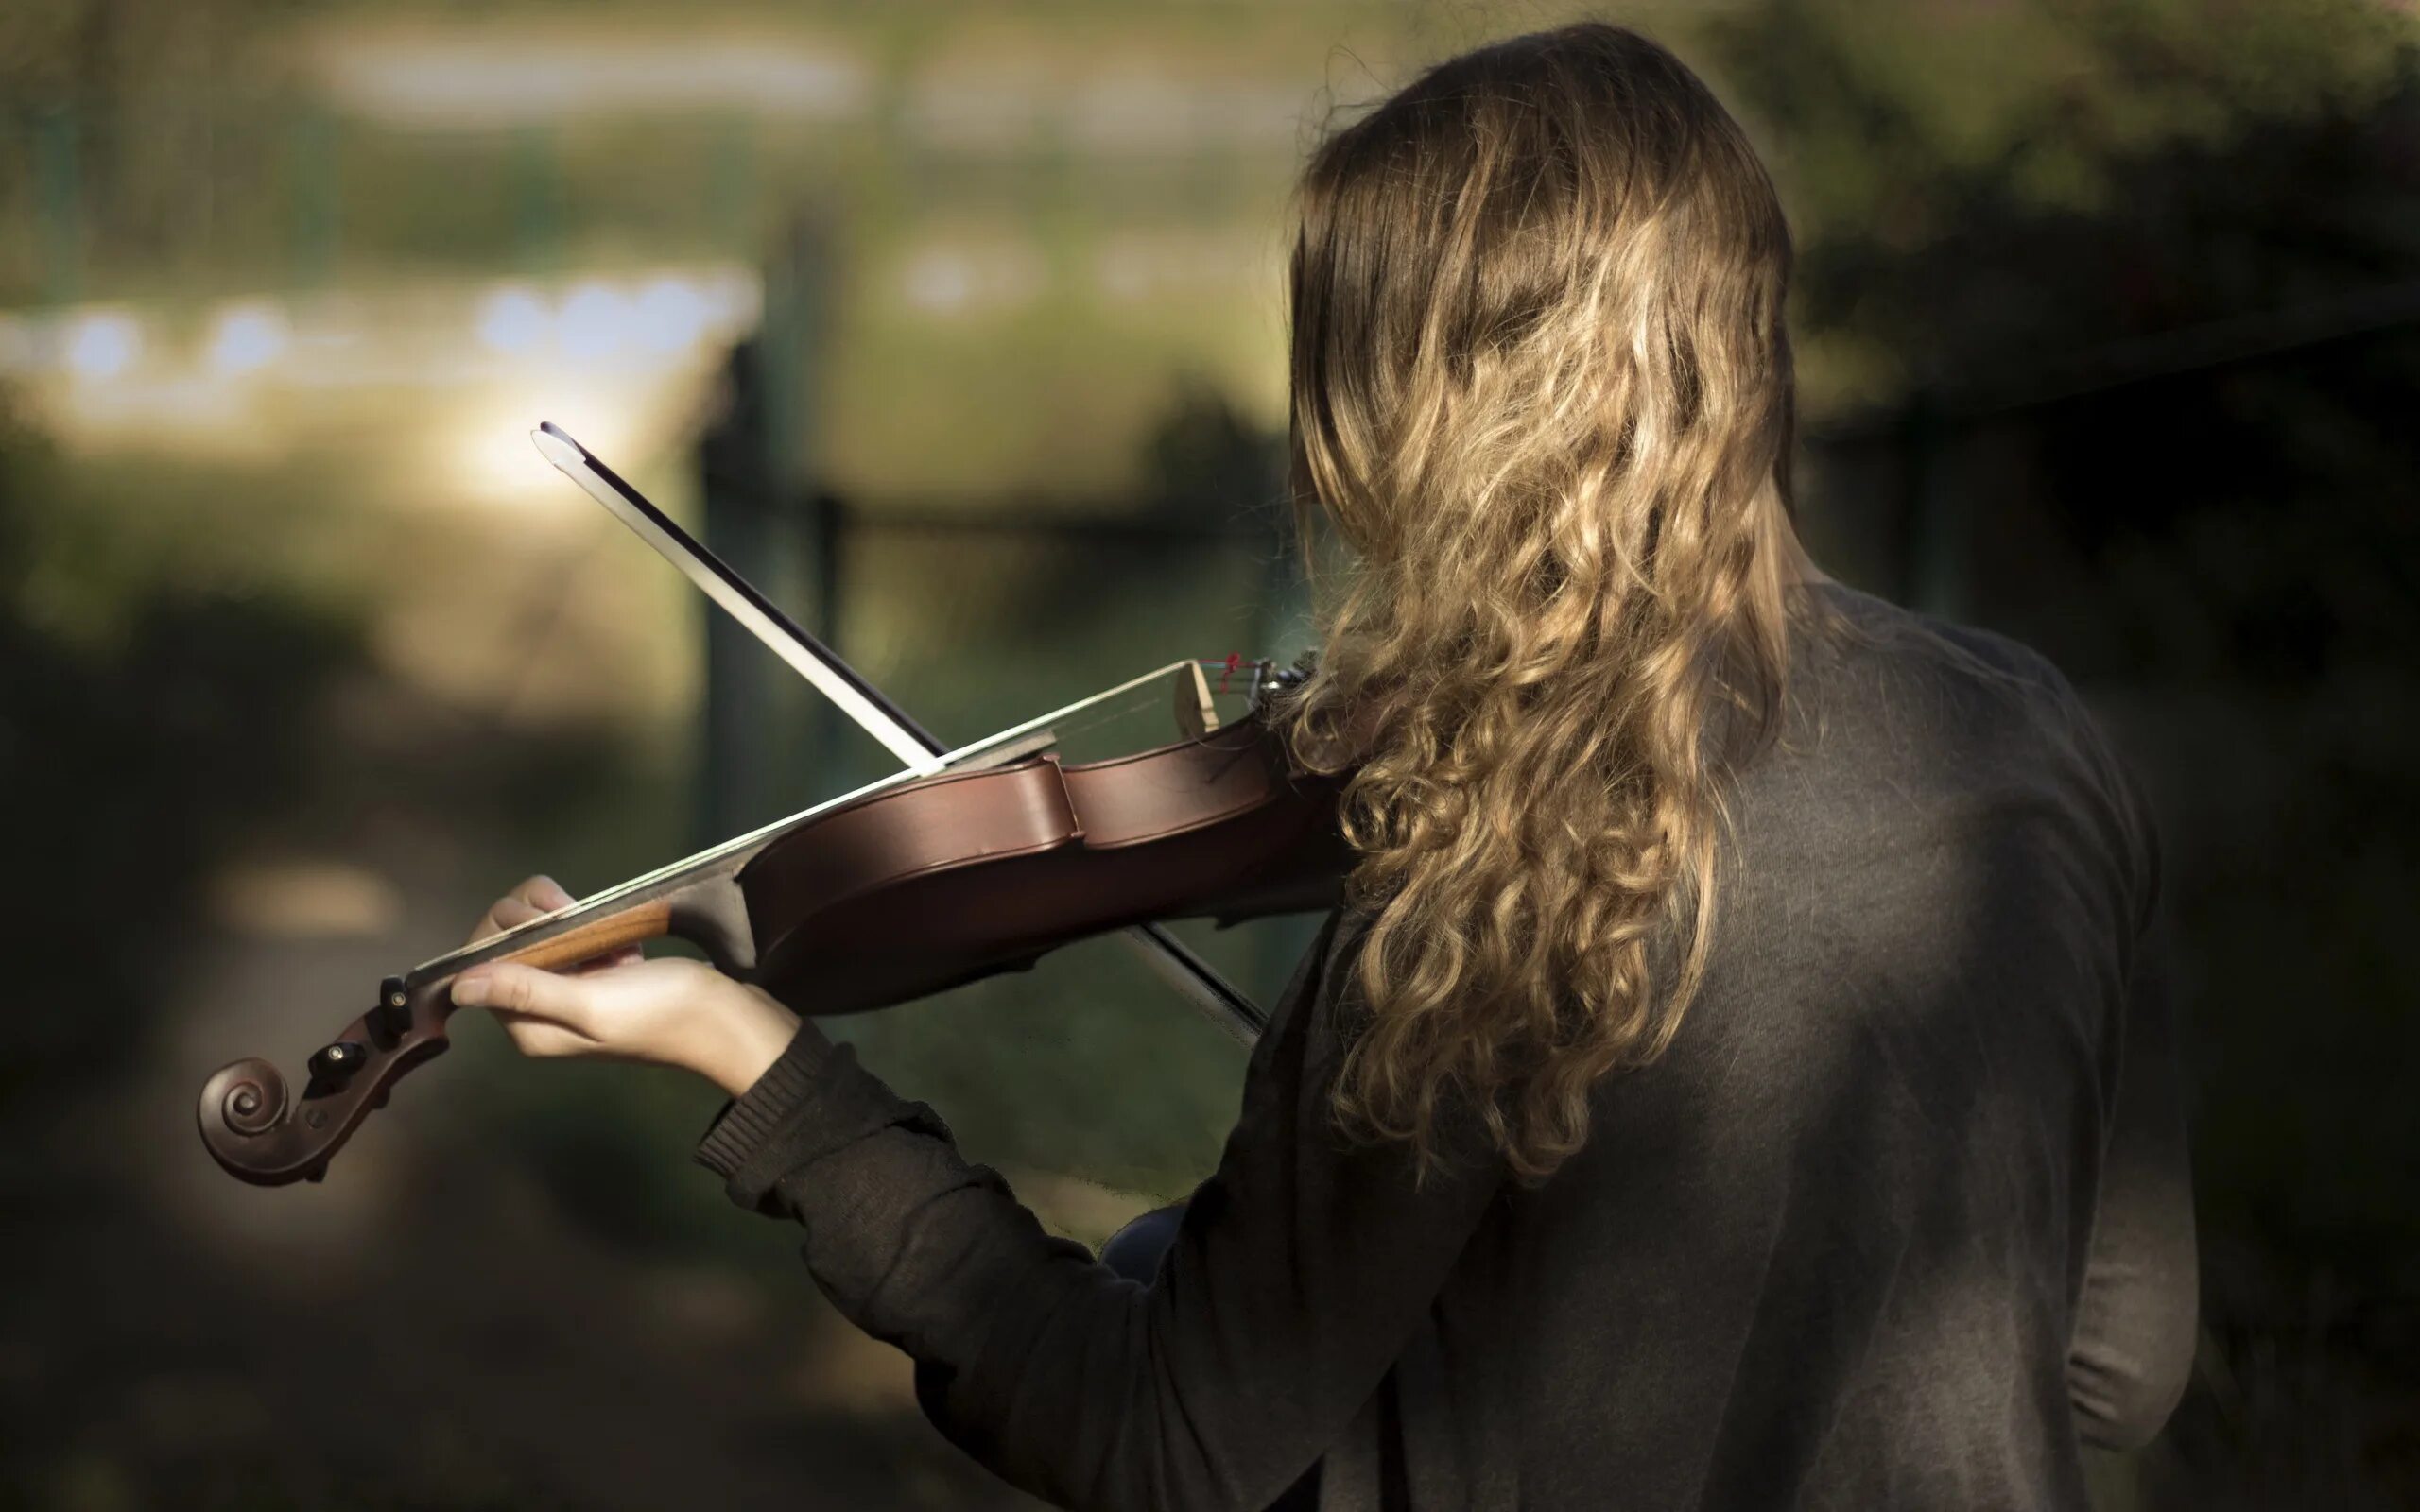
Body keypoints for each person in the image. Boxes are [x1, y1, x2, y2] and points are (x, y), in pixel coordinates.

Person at [446, 22, 2196, 1512]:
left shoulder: (1495, 880)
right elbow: (2115, 1365)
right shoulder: (2030, 739)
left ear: (1402, 416)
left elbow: (1165, 1440)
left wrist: (767, 1072)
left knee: (1149, 1286)